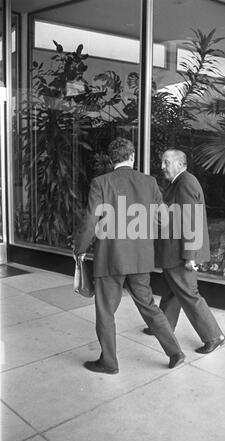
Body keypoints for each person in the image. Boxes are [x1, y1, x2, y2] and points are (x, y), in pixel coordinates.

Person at [73, 138, 185, 374]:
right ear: (132, 157)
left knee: (105, 310)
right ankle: (175, 351)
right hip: (140, 259)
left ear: (111, 159)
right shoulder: (149, 182)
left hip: (110, 259)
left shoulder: (100, 183)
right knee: (149, 306)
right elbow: (163, 220)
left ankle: (109, 363)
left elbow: (90, 220)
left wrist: (80, 248)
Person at [143, 149, 225, 354]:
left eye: (166, 162)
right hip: (174, 251)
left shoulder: (185, 183)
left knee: (189, 294)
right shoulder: (179, 182)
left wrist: (190, 256)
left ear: (180, 164)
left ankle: (214, 336)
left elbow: (191, 221)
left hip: (179, 253)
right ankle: (163, 327)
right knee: (173, 291)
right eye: (162, 162)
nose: (162, 166)